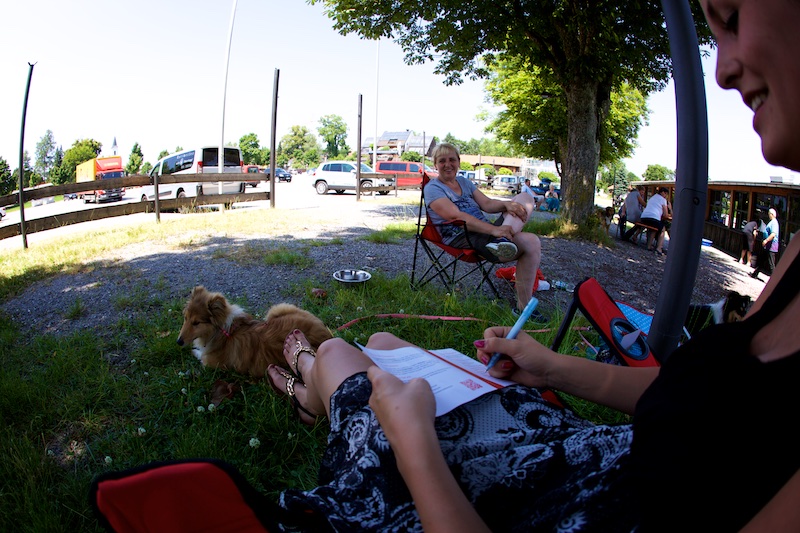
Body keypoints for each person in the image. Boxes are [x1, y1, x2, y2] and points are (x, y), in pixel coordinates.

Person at [260, 2, 800, 530]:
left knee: (337, 349)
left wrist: (414, 445)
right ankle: (315, 387)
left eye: (731, 19)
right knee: (378, 340)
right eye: (443, 160)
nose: (723, 69)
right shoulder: (438, 192)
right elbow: (693, 398)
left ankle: (308, 384)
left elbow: (487, 206)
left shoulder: (468, 183)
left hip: (529, 488)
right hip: (544, 398)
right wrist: (550, 367)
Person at [424, 142, 544, 316]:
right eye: (442, 161)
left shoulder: (464, 182)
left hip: (487, 233)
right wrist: (494, 230)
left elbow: (487, 204)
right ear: (435, 164)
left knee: (525, 199)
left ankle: (523, 308)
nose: (447, 164)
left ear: (458, 161)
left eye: (452, 160)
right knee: (529, 242)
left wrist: (507, 205)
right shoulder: (432, 189)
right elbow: (455, 217)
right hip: (462, 235)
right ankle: (500, 240)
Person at [638, 187, 670, 255]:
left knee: (654, 228)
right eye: (666, 194)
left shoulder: (653, 197)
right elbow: (666, 215)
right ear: (663, 192)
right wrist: (669, 208)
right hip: (653, 218)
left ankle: (649, 246)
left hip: (644, 217)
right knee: (662, 229)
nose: (666, 196)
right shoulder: (663, 200)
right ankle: (659, 248)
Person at [751, 207, 781, 280]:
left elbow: (773, 234)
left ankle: (775, 280)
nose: (768, 215)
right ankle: (755, 273)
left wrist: (766, 240)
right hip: (767, 246)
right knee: (762, 260)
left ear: (772, 214)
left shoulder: (774, 223)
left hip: (771, 246)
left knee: (771, 263)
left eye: (769, 214)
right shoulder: (772, 222)